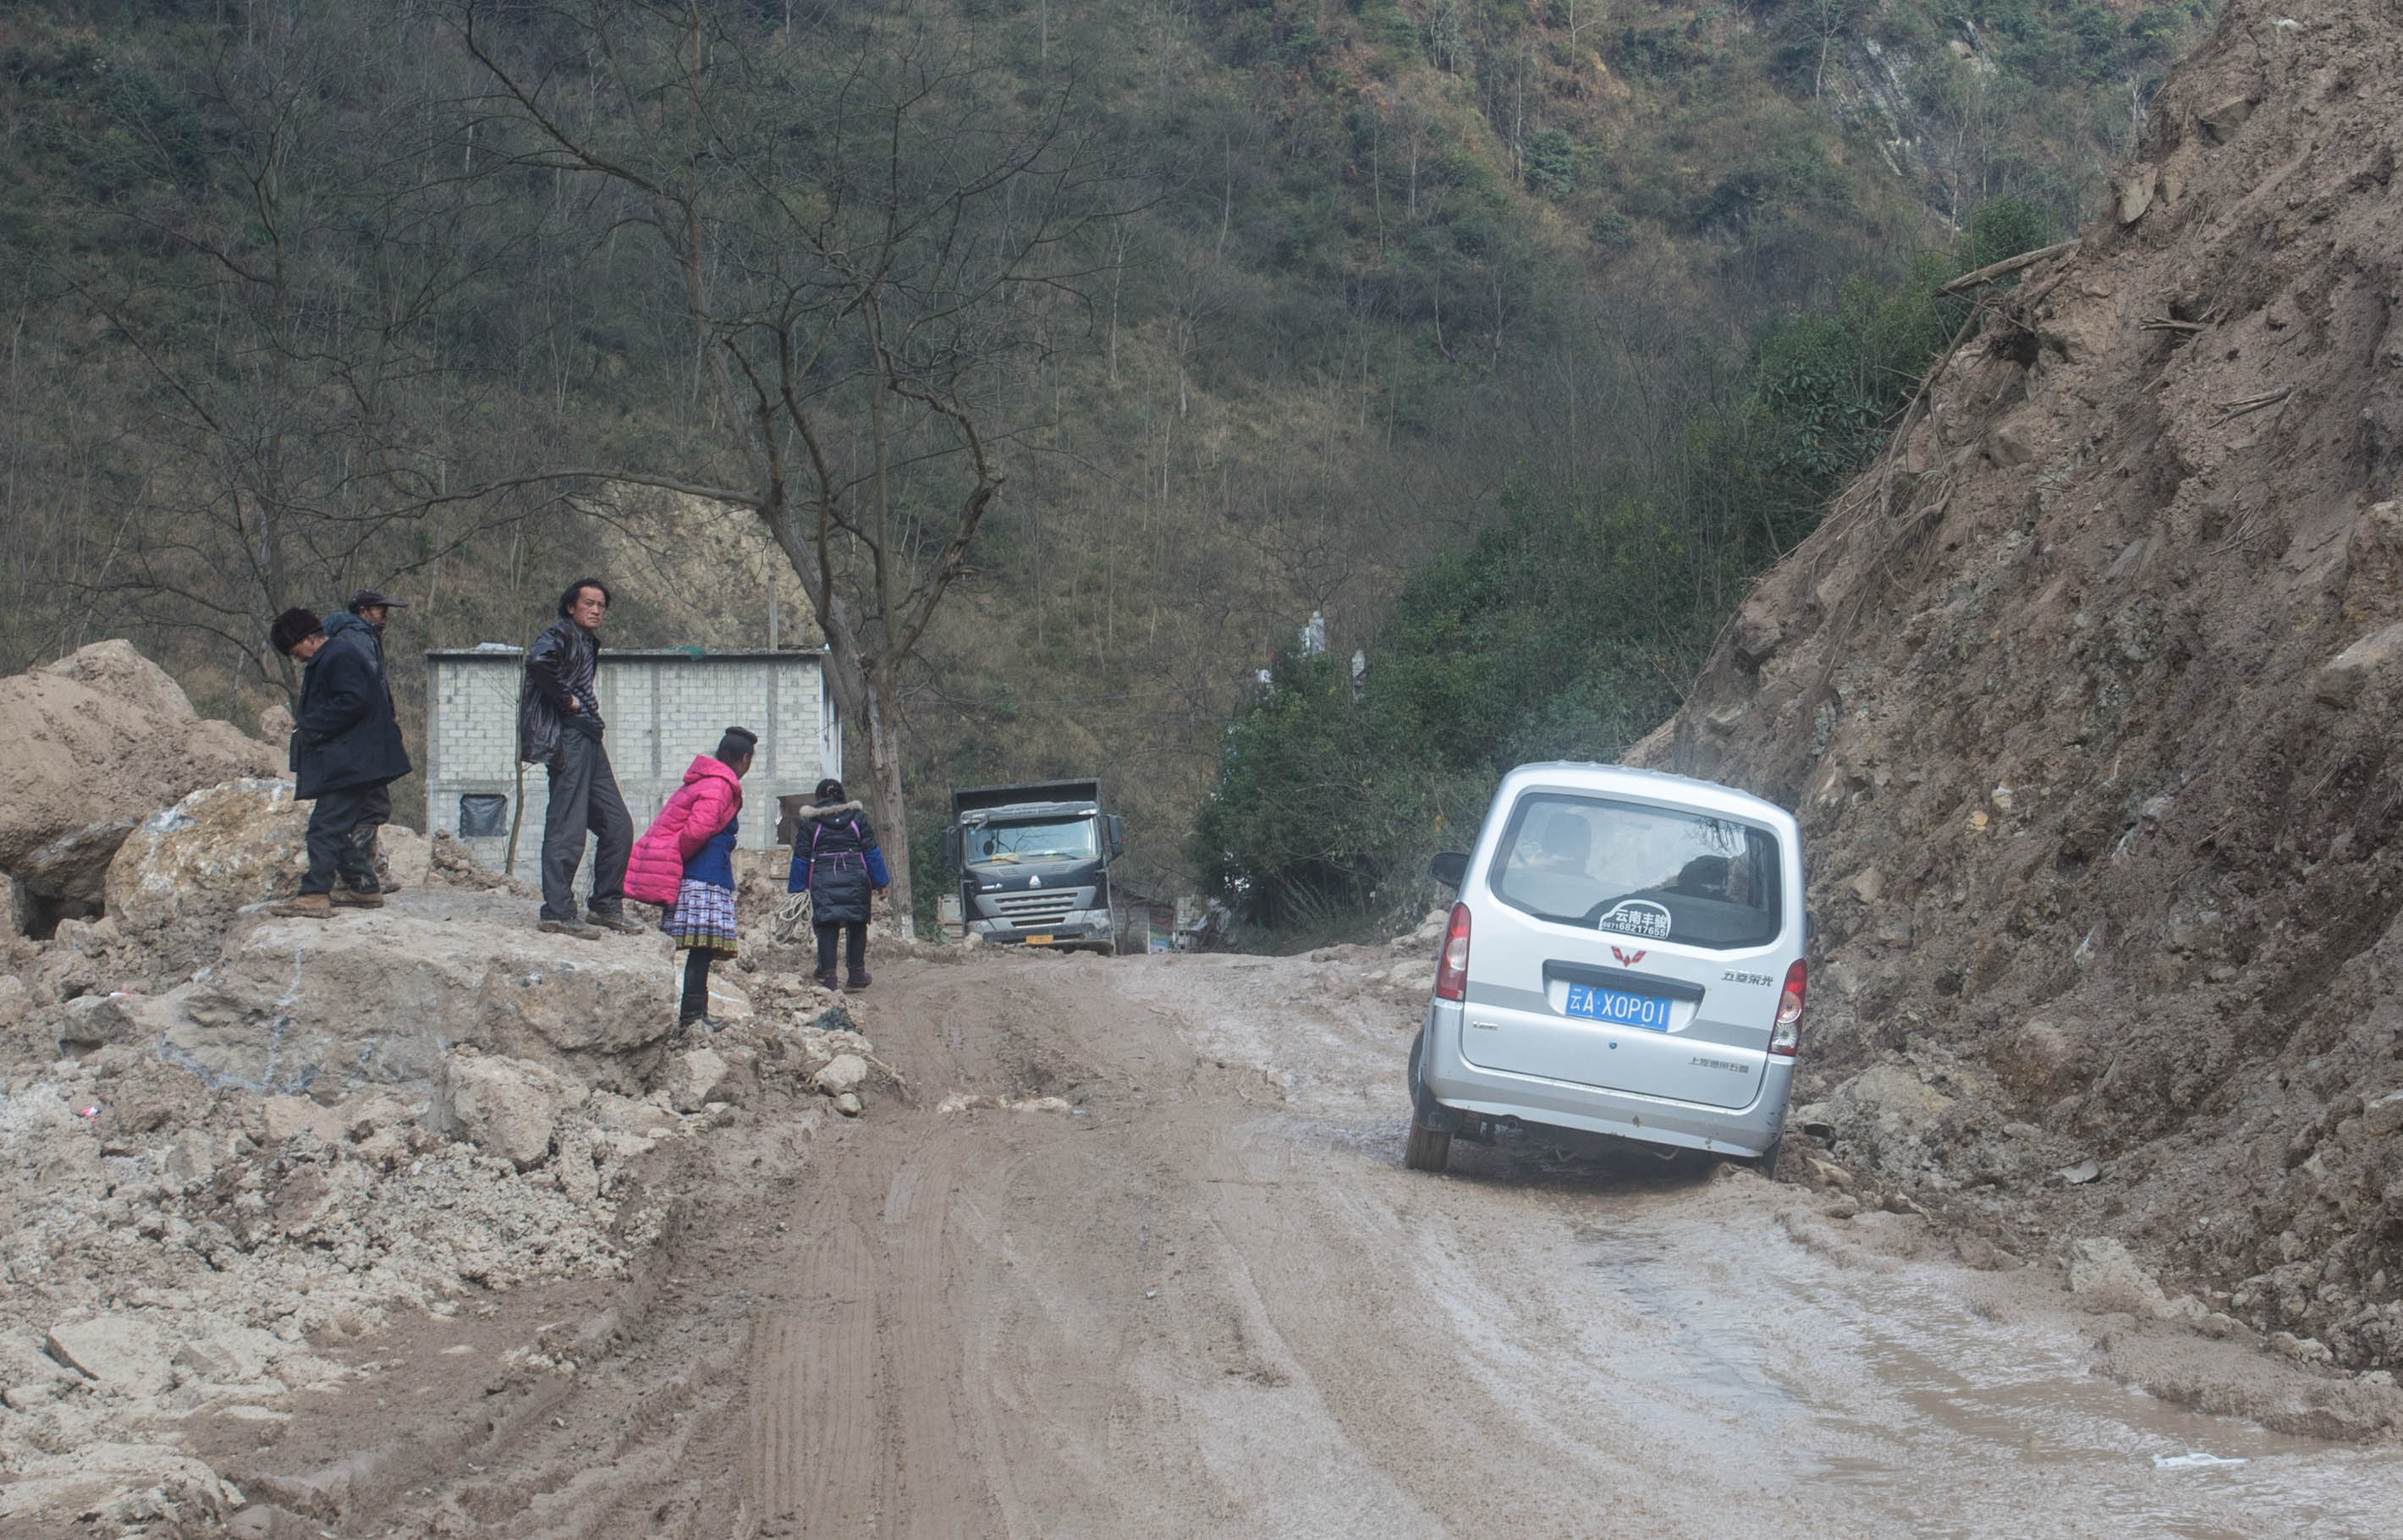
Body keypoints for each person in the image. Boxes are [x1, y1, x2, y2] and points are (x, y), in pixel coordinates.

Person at [267, 606, 413, 918]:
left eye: (297, 652)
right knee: (337, 827)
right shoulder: (335, 656)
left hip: (353, 762)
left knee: (323, 828)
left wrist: (311, 726)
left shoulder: (337, 657)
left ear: (308, 639)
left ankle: (315, 893)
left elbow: (352, 700)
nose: (298, 659)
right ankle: (364, 887)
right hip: (357, 761)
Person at [519, 577, 639, 939]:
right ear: (571, 607)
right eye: (589, 603)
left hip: (589, 736)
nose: (596, 610)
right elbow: (538, 660)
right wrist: (565, 699)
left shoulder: (586, 642)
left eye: (601, 605)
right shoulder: (561, 634)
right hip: (568, 736)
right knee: (567, 826)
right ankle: (557, 911)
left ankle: (605, 905)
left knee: (617, 825)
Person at [625, 727, 756, 1037]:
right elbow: (698, 831)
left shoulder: (703, 781)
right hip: (704, 876)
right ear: (744, 759)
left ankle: (696, 1013)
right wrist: (680, 857)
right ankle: (692, 1017)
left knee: (702, 950)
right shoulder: (721, 785)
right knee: (702, 949)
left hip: (701, 873)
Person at [788, 778, 888, 990]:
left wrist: (797, 888)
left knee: (827, 926)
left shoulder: (811, 823)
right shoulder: (858, 818)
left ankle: (829, 976)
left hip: (823, 879)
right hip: (855, 879)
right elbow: (871, 851)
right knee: (857, 923)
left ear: (819, 798)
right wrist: (881, 882)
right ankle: (857, 974)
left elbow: (801, 857)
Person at [342, 588, 411, 887]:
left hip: (361, 734)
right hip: (365, 736)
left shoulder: (357, 637)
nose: (385, 616)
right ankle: (358, 878)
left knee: (366, 804)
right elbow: (367, 688)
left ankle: (363, 875)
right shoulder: (357, 638)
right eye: (380, 610)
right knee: (372, 805)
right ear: (364, 611)